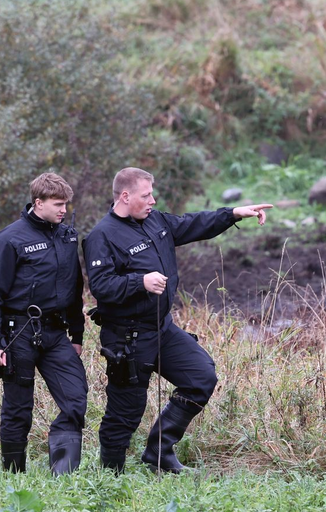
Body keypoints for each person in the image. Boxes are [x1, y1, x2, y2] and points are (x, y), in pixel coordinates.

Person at [83, 167, 272, 474]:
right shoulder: (101, 236)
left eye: (152, 194)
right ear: (126, 196)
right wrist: (139, 281)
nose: (152, 200)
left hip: (162, 330)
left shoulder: (155, 221)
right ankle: (109, 476)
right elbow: (101, 286)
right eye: (146, 195)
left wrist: (233, 214)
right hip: (127, 338)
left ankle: (159, 453)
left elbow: (193, 223)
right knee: (126, 412)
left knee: (200, 377)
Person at [0, 173, 87, 474]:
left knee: (75, 398)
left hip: (55, 333)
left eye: (66, 204)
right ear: (38, 202)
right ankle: (13, 474)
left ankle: (63, 473)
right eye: (57, 204)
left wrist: (77, 334)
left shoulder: (67, 237)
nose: (63, 210)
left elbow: (74, 288)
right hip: (18, 333)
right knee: (18, 409)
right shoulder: (9, 239)